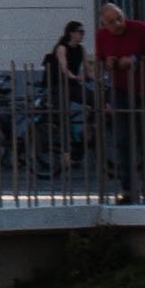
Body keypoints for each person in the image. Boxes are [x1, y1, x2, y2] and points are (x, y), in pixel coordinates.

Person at [94, 0, 145, 200]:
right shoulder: (101, 36)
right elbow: (98, 62)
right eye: (111, 22)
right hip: (120, 92)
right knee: (122, 142)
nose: (118, 24)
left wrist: (136, 59)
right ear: (103, 24)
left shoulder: (139, 28)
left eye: (119, 18)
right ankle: (127, 190)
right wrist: (107, 62)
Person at [43, 19, 91, 173]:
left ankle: (86, 136)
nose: (82, 35)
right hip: (60, 85)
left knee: (95, 100)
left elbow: (87, 67)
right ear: (71, 33)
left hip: (73, 84)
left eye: (83, 32)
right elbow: (64, 67)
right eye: (80, 32)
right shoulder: (62, 48)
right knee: (63, 117)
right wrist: (74, 76)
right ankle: (65, 155)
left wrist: (94, 77)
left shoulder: (81, 49)